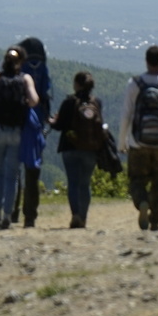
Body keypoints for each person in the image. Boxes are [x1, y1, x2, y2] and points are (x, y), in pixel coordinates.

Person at [118, 44, 158, 231]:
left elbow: (126, 115)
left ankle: (142, 202)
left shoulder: (134, 84)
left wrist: (122, 142)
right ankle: (155, 221)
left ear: (146, 61)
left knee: (136, 180)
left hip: (138, 144)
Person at [0, 46, 38, 230]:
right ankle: (7, 216)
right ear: (21, 61)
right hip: (16, 132)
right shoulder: (25, 79)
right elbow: (34, 100)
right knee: (12, 175)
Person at [48, 71, 105, 228]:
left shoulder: (69, 102)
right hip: (91, 149)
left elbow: (59, 126)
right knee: (85, 184)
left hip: (70, 147)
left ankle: (75, 215)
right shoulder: (97, 103)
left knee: (73, 182)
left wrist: (52, 121)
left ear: (77, 84)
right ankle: (84, 218)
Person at [12, 36, 52, 227]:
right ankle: (30, 215)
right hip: (36, 125)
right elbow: (46, 93)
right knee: (32, 171)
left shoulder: (20, 68)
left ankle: (12, 211)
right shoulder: (42, 68)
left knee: (13, 170)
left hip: (16, 121)